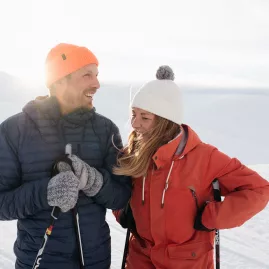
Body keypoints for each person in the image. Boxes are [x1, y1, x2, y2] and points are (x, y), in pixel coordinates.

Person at [113, 65, 269, 269]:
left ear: (164, 122)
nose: (135, 123)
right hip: (140, 260)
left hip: (188, 262)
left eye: (145, 117)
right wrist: (123, 212)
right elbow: (114, 187)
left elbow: (259, 189)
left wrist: (212, 217)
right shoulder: (132, 153)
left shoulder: (205, 157)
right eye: (133, 114)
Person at [0, 43, 131, 269]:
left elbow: (122, 197)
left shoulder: (106, 130)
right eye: (87, 75)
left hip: (96, 262)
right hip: (39, 262)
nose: (97, 84)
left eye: (97, 75)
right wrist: (46, 192)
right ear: (59, 81)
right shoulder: (14, 131)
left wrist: (96, 182)